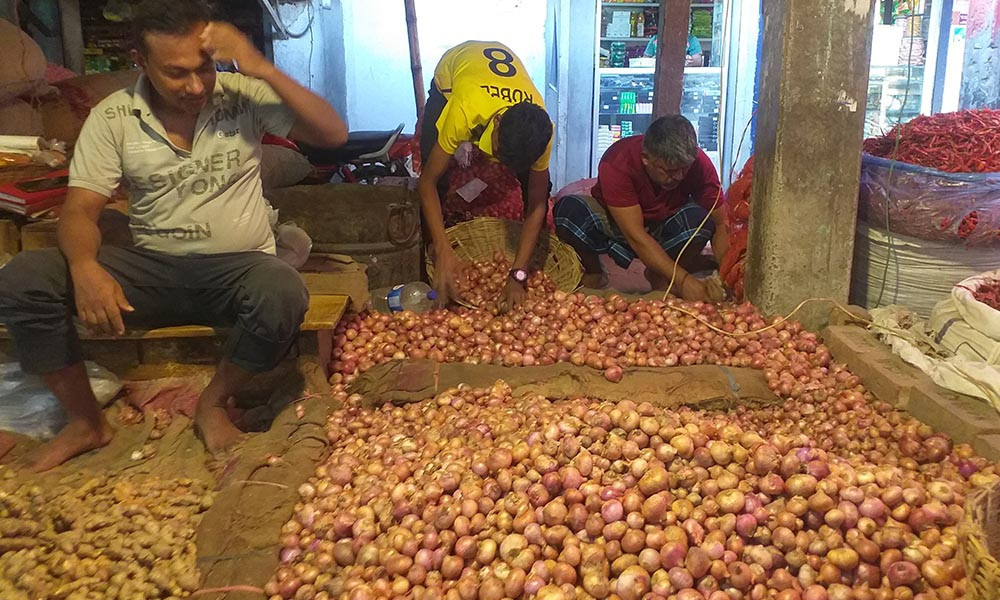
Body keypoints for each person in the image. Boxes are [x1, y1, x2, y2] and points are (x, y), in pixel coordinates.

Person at [0, 0, 347, 471]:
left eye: (204, 68)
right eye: (176, 73)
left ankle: (213, 402)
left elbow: (333, 133)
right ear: (140, 61)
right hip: (153, 271)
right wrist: (85, 268)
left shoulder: (241, 94)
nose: (195, 85)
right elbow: (80, 209)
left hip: (239, 269)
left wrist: (259, 64)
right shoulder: (114, 116)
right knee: (26, 277)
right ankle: (85, 422)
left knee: (282, 290)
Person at [419, 41, 554, 311]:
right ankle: (430, 257)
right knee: (439, 174)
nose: (498, 162)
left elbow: (537, 202)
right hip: (453, 73)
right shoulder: (464, 109)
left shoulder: (543, 131)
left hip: (494, 81)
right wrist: (442, 246)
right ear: (497, 122)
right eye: (499, 151)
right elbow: (426, 183)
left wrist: (518, 274)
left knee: (538, 186)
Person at [553, 115, 729, 302]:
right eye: (669, 171)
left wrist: (728, 275)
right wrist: (685, 280)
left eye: (684, 169)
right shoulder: (618, 161)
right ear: (646, 158)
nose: (678, 176)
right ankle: (594, 272)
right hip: (619, 224)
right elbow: (636, 236)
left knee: (703, 219)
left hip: (666, 222)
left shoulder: (700, 165)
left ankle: (661, 276)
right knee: (570, 211)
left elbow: (720, 224)